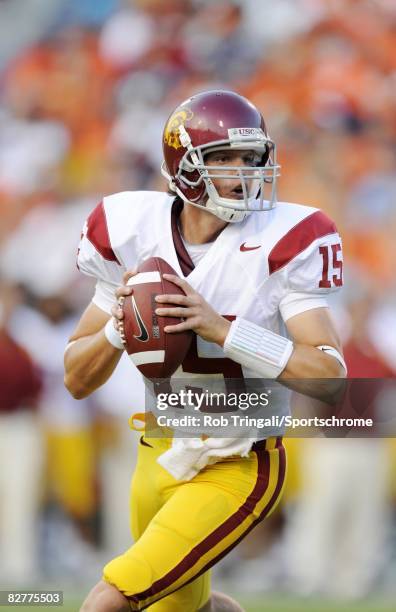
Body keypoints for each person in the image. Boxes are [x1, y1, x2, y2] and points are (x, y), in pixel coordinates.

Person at [64, 90, 346, 612]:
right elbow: (76, 379)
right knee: (187, 608)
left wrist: (224, 331)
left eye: (250, 157)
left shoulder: (288, 236)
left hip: (240, 462)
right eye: (223, 158)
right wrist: (117, 332)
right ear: (183, 164)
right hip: (157, 452)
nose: (242, 172)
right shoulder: (129, 229)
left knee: (112, 600)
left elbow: (330, 376)